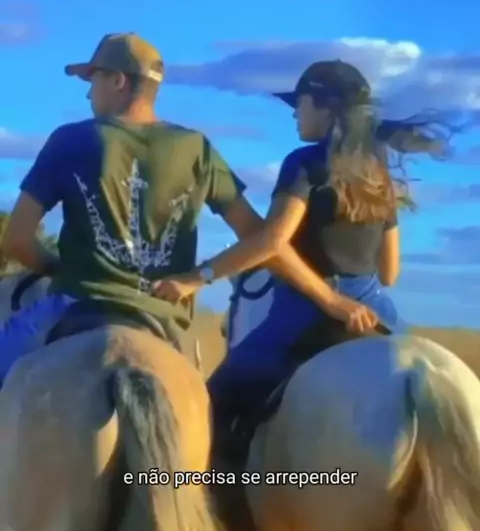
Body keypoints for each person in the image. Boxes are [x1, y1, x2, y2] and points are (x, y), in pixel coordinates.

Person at [0, 37, 377, 384]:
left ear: (118, 81)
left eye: (93, 79)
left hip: (78, 303)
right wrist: (331, 300)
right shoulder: (197, 148)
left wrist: (62, 269)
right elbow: (261, 239)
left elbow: (16, 240)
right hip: (162, 317)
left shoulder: (71, 140)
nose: (88, 93)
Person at [153, 59, 455, 450]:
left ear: (325, 107)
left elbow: (271, 242)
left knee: (210, 407)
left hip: (305, 311)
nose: (295, 113)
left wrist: (196, 278)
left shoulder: (305, 163)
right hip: (375, 312)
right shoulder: (378, 173)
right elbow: (390, 272)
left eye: (300, 103)